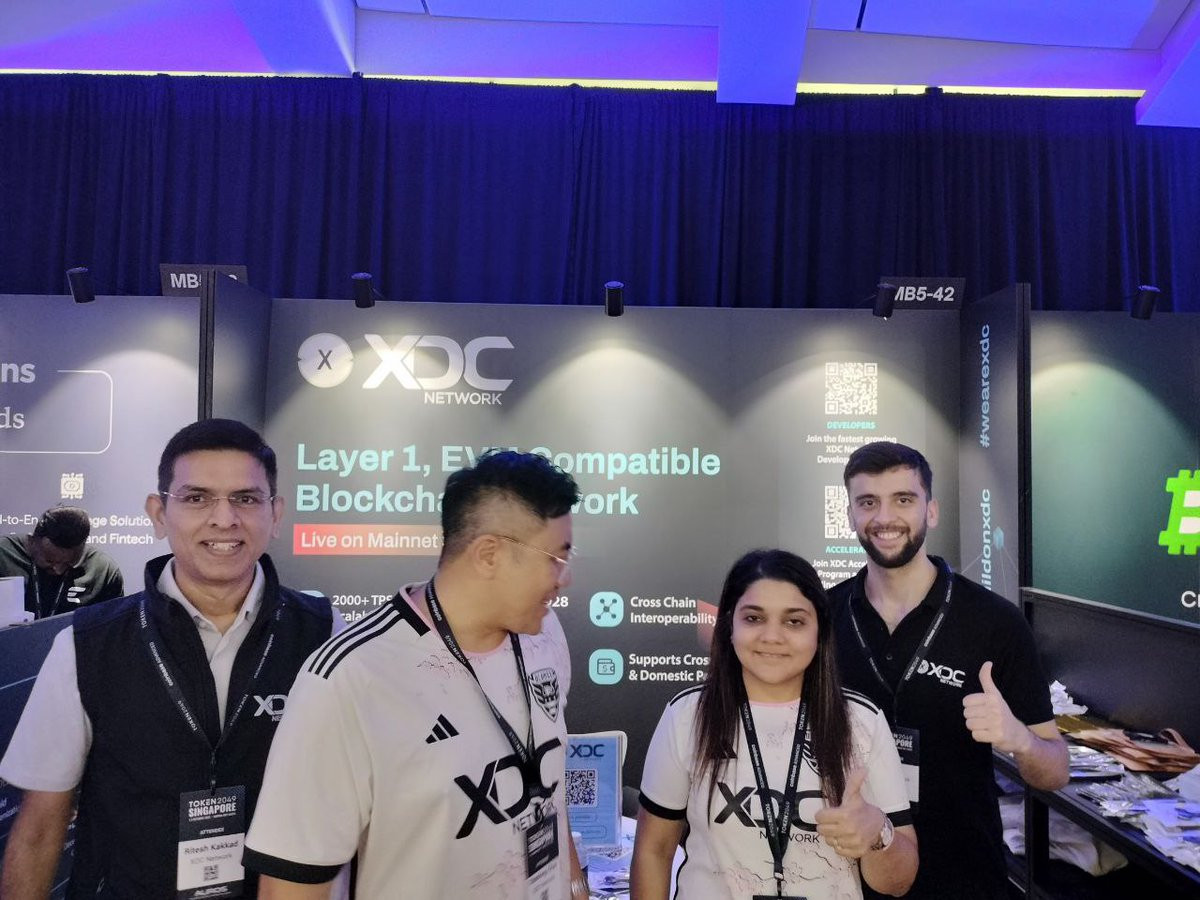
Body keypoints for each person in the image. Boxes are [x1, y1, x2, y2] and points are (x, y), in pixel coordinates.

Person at [0, 418, 343, 899]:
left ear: (275, 513)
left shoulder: (324, 633)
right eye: (197, 497)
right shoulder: (88, 643)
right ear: (159, 513)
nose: (224, 519)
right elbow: (39, 826)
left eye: (246, 498)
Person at [244, 450, 588, 899]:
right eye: (555, 558)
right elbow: (290, 885)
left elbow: (547, 793)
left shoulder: (545, 636)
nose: (565, 578)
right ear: (489, 555)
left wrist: (575, 884)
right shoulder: (351, 679)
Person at [829, 441, 1069, 900]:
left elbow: (1055, 771)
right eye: (868, 502)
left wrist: (1018, 738)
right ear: (851, 515)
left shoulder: (994, 622)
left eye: (903, 499)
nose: (885, 517)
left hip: (965, 878)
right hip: (847, 875)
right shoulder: (825, 616)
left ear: (931, 510)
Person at [632, 549, 917, 900]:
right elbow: (654, 850)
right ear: (730, 626)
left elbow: (898, 882)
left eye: (794, 621)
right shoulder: (688, 716)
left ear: (820, 632)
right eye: (754, 618)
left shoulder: (861, 721)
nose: (772, 636)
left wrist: (877, 833)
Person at [0, 506, 124, 618]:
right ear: (33, 541)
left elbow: (113, 627)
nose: (58, 570)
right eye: (49, 560)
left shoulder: (103, 571)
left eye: (69, 563)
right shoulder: (4, 554)